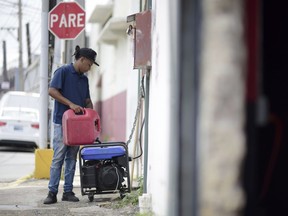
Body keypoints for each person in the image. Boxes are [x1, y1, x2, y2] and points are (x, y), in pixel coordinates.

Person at [43, 45, 99, 204]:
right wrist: (71, 104)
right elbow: (52, 91)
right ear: (82, 60)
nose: (89, 68)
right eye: (89, 64)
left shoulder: (84, 79)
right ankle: (52, 192)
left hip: (78, 125)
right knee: (58, 157)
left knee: (72, 158)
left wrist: (91, 114)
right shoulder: (63, 72)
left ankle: (68, 191)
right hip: (62, 122)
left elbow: (87, 100)